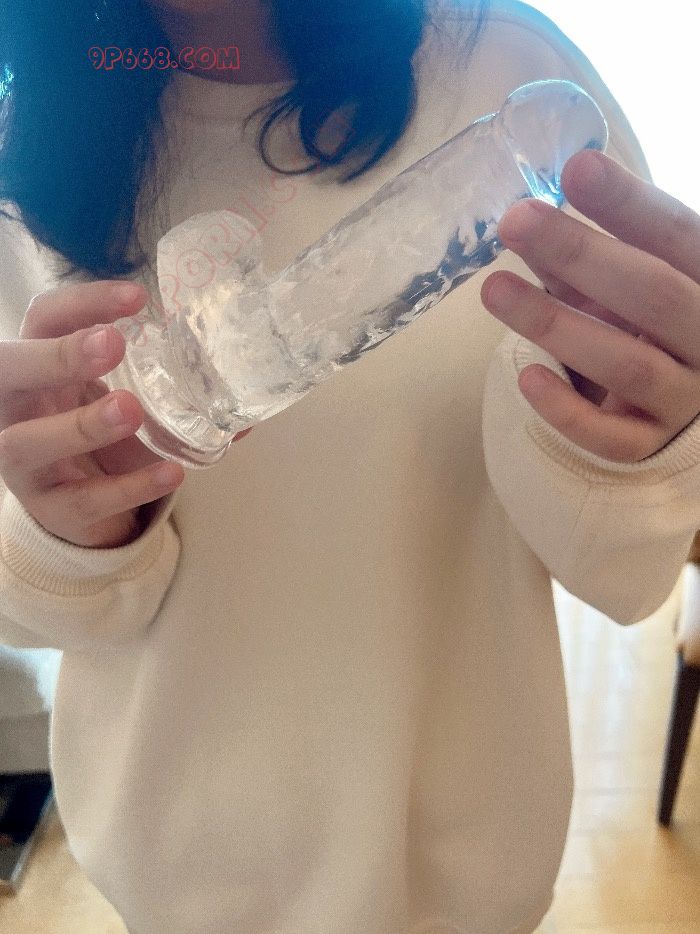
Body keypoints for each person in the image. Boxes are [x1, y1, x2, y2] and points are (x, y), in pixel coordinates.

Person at [0, 0, 698, 932]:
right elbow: (27, 612)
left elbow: (626, 574)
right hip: (174, 878)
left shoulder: (513, 75)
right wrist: (74, 529)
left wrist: (644, 450)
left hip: (459, 879)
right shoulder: (25, 155)